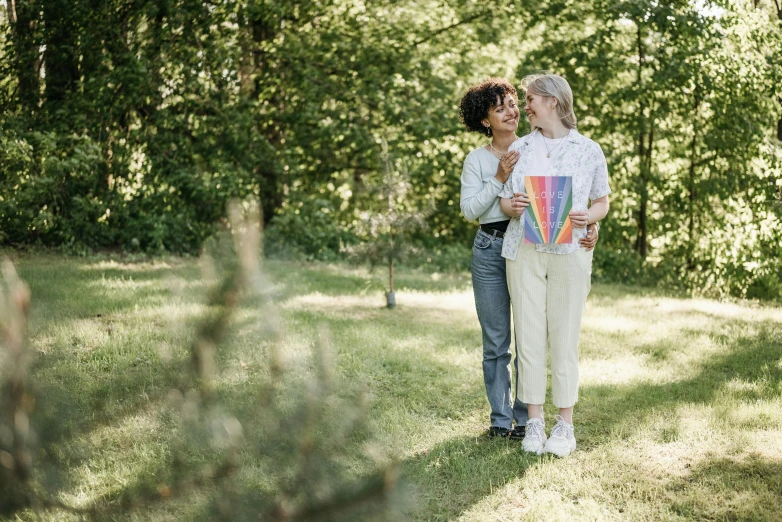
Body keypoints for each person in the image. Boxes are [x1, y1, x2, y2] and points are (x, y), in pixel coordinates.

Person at [458, 78, 599, 440]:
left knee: (531, 336)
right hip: (497, 248)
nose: (514, 110)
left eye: (515, 103)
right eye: (501, 107)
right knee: (498, 341)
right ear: (486, 120)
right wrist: (501, 180)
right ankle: (502, 420)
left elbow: (582, 196)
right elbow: (473, 209)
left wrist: (589, 226)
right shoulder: (486, 159)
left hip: (543, 246)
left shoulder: (548, 148)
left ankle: (528, 419)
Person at [499, 73, 610, 456]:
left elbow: (602, 201)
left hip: (571, 253)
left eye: (530, 99)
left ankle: (565, 425)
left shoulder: (589, 150)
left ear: (553, 101)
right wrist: (511, 206)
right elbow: (503, 199)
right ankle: (534, 422)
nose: (524, 106)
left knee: (564, 337)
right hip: (524, 250)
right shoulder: (520, 148)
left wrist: (587, 217)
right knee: (528, 335)